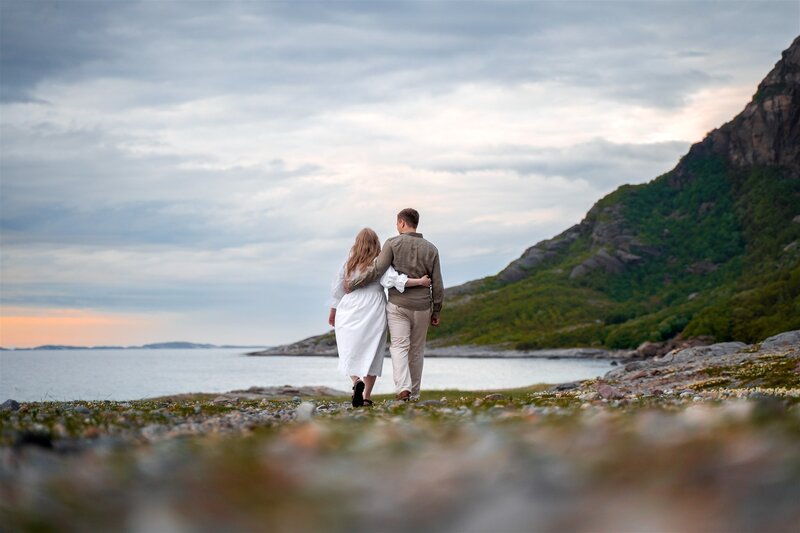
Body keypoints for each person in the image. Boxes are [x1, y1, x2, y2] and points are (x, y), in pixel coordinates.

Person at [347, 208, 443, 401]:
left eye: (397, 223)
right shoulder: (431, 249)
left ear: (402, 223)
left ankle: (403, 388)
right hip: (423, 307)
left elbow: (377, 270)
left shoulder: (392, 243)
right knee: (417, 351)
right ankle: (414, 394)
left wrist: (354, 283)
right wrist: (437, 310)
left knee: (399, 347)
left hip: (398, 306)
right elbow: (438, 282)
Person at [329, 228, 431, 407]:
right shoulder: (379, 262)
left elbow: (337, 290)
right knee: (373, 351)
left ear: (357, 243)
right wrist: (420, 282)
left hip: (349, 306)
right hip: (374, 306)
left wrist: (333, 311)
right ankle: (366, 396)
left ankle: (356, 381)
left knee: (348, 349)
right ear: (376, 243)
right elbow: (394, 280)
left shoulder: (348, 263)